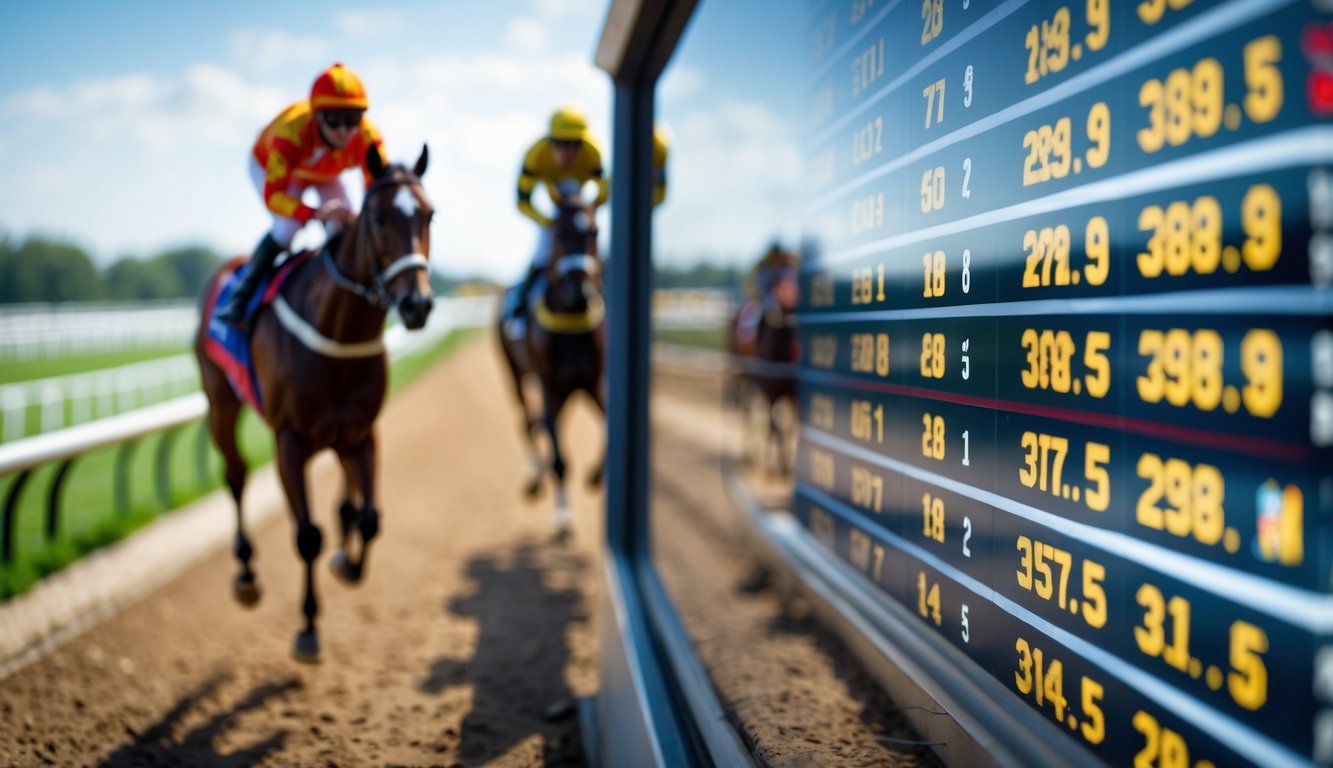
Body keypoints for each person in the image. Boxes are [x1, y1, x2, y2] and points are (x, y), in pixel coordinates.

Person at [215, 62, 388, 330]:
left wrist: (354, 216)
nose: (344, 130)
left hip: (327, 172)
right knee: (287, 228)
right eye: (334, 120)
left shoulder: (369, 138)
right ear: (317, 116)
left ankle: (339, 294)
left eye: (352, 119)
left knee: (342, 225)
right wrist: (314, 213)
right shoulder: (291, 132)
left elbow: (377, 193)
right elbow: (274, 196)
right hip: (278, 172)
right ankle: (241, 298)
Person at [503, 105, 609, 334]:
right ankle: (517, 308)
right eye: (560, 144)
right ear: (550, 141)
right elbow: (523, 202)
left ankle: (611, 310)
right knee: (541, 256)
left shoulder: (594, 153)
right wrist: (548, 223)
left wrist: (589, 210)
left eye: (574, 145)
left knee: (595, 259)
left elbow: (604, 191)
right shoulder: (535, 155)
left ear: (583, 143)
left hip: (581, 211)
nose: (568, 152)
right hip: (554, 215)